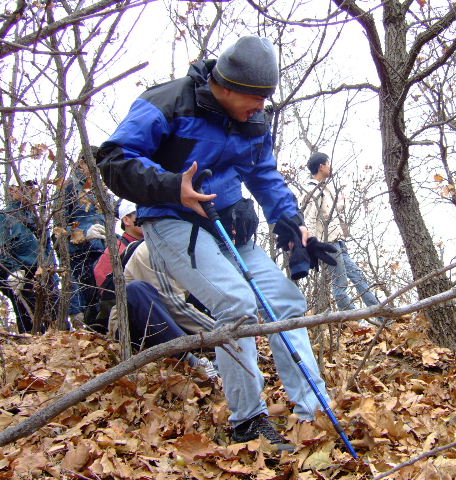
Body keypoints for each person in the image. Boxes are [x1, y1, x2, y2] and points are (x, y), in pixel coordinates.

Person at [98, 35, 337, 451]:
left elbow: (264, 176)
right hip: (173, 220)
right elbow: (115, 158)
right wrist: (172, 186)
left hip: (231, 226)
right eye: (256, 96)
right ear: (226, 86)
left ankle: (312, 412)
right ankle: (249, 421)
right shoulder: (170, 101)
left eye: (266, 97)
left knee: (285, 302)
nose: (262, 106)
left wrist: (294, 223)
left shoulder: (255, 122)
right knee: (236, 304)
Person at [108, 240, 218, 380]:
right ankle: (191, 361)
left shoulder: (190, 253)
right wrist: (223, 333)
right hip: (133, 328)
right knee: (136, 289)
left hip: (168, 324)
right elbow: (175, 307)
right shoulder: (153, 250)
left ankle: (210, 356)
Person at [304, 152, 382, 327]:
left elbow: (329, 210)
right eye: (328, 163)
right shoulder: (313, 190)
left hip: (338, 241)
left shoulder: (325, 188)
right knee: (340, 285)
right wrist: (314, 245)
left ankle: (382, 316)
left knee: (358, 276)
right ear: (321, 166)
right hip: (327, 244)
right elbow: (308, 219)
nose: (330, 166)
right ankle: (355, 325)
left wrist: (344, 198)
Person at [65, 148, 108, 329]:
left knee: (102, 307)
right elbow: (58, 231)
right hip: (80, 256)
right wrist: (84, 234)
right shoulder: (69, 187)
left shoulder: (101, 189)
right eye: (94, 165)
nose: (97, 170)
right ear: (82, 163)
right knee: (88, 315)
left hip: (103, 254)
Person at [91, 199, 144, 333]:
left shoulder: (149, 246)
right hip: (125, 317)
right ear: (127, 220)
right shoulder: (116, 249)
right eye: (140, 213)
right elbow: (105, 290)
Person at [0, 181, 45, 333]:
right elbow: (2, 249)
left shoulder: (38, 219)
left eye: (33, 187)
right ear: (13, 190)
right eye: (26, 187)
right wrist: (14, 271)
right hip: (20, 274)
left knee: (54, 319)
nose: (32, 191)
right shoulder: (5, 217)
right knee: (29, 320)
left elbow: (47, 249)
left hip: (42, 275)